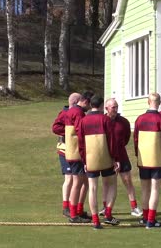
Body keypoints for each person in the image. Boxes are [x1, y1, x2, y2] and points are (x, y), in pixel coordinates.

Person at [78, 96, 120, 229]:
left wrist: (84, 160)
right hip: (106, 158)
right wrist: (115, 158)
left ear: (90, 105)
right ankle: (108, 214)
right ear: (102, 106)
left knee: (93, 188)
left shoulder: (83, 121)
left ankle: (95, 220)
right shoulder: (106, 119)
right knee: (112, 184)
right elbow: (112, 141)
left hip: (91, 158)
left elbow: (81, 143)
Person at [99, 98, 142, 217]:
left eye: (117, 107)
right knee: (107, 183)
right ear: (106, 108)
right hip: (107, 157)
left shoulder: (123, 122)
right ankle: (105, 207)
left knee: (127, 181)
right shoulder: (102, 120)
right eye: (113, 107)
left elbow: (127, 138)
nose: (116, 109)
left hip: (122, 155)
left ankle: (134, 207)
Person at [134, 93, 161, 229]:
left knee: (144, 189)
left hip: (143, 159)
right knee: (155, 190)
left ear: (148, 102)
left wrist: (138, 155)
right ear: (159, 103)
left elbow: (135, 139)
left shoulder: (140, 119)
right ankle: (151, 220)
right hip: (157, 159)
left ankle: (145, 217)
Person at [64, 91, 94, 223]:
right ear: (86, 102)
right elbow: (80, 131)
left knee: (83, 182)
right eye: (90, 104)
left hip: (72, 151)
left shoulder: (70, 111)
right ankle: (73, 214)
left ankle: (78, 211)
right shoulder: (78, 113)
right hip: (77, 153)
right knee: (77, 183)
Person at [51, 93, 80, 217]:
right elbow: (55, 128)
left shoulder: (77, 113)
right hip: (64, 149)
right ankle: (65, 207)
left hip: (74, 149)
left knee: (76, 179)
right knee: (69, 178)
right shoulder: (64, 113)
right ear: (76, 102)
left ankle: (75, 205)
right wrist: (69, 133)